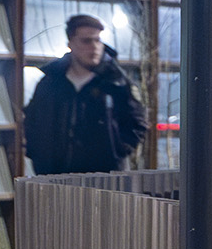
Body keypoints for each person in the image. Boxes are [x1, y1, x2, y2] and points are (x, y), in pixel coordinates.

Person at [22, 13, 147, 175]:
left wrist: (116, 151)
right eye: (86, 41)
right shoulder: (51, 83)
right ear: (70, 44)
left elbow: (137, 123)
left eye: (98, 40)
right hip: (55, 177)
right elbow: (32, 121)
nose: (94, 47)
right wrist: (38, 155)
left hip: (103, 179)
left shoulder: (115, 83)